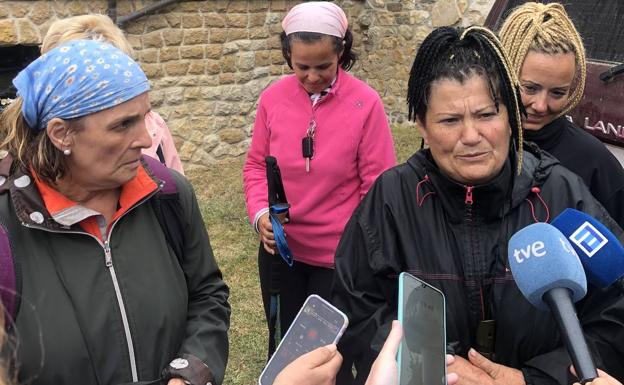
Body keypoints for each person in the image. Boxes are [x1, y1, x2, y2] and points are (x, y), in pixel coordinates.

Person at [331, 25, 624, 385]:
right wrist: (442, 368)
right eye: (450, 120)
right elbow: (357, 308)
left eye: (486, 115)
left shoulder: (563, 195)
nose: (471, 137)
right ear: (422, 124)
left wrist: (533, 379)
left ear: (511, 117)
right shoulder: (392, 199)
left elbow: (616, 314)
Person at [0, 40, 230, 385]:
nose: (144, 137)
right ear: (62, 134)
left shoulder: (166, 193)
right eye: (123, 125)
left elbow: (207, 294)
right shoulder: (7, 225)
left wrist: (191, 373)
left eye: (145, 116)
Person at [243, 1, 396, 354]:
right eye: (302, 67)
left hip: (339, 260)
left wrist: (356, 249)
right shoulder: (272, 99)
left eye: (324, 66)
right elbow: (255, 167)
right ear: (287, 56)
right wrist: (261, 215)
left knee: (331, 354)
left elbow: (377, 185)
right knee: (287, 349)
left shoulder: (365, 104)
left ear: (341, 51)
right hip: (281, 255)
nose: (312, 77)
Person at [498, 2, 624, 228]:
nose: (541, 105)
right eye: (530, 88)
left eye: (558, 92)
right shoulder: (473, 144)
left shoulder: (594, 161)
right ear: (504, 73)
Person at [41, 14, 185, 174]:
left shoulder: (154, 124)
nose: (146, 140)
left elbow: (175, 185)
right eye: (123, 124)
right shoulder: (29, 175)